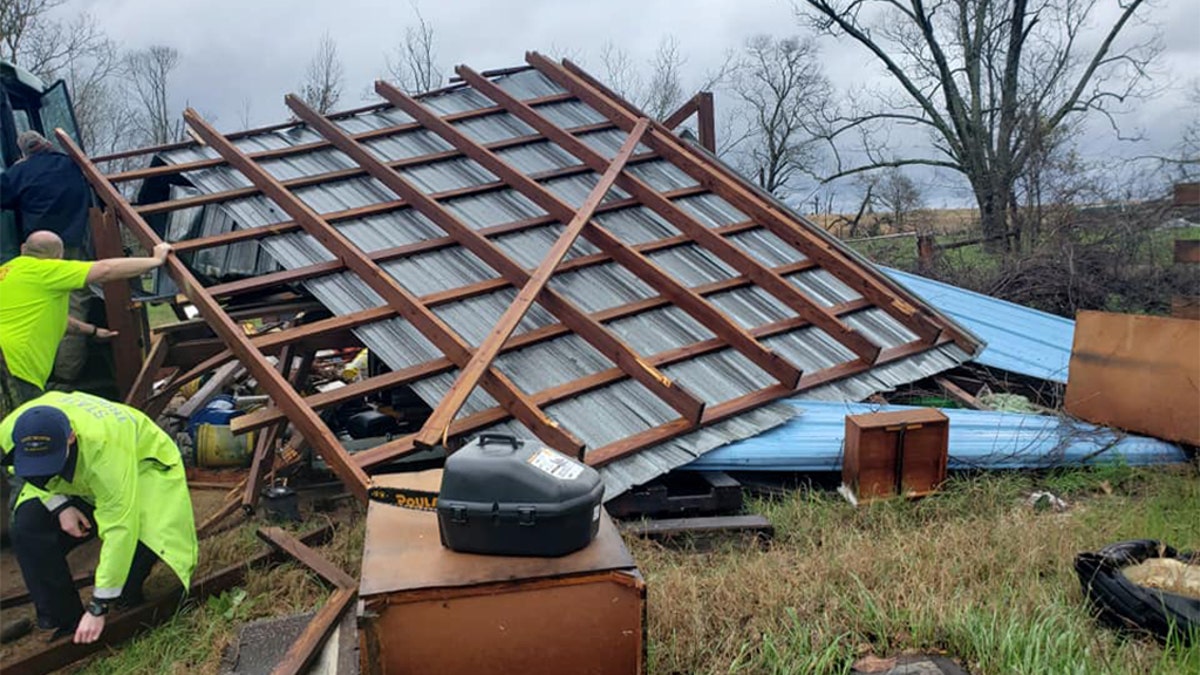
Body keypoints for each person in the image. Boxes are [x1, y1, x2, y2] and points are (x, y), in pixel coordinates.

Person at [0, 392, 197, 644]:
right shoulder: (10, 429)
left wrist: (99, 605)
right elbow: (20, 471)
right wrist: (60, 507)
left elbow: (119, 527)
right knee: (27, 526)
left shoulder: (106, 450)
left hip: (141, 470)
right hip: (77, 478)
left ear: (70, 437)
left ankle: (126, 593)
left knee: (140, 540)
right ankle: (67, 620)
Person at [0, 230, 172, 420]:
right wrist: (155, 261)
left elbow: (57, 319)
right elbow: (105, 270)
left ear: (23, 248)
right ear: (60, 255)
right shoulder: (48, 269)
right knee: (17, 430)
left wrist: (92, 331)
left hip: (6, 361)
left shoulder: (7, 271)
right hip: (15, 368)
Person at [0, 130, 92, 253]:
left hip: (41, 245)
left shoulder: (19, 172)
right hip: (80, 238)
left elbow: (4, 196)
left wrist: (15, 168)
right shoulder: (72, 164)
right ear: (47, 143)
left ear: (24, 152)